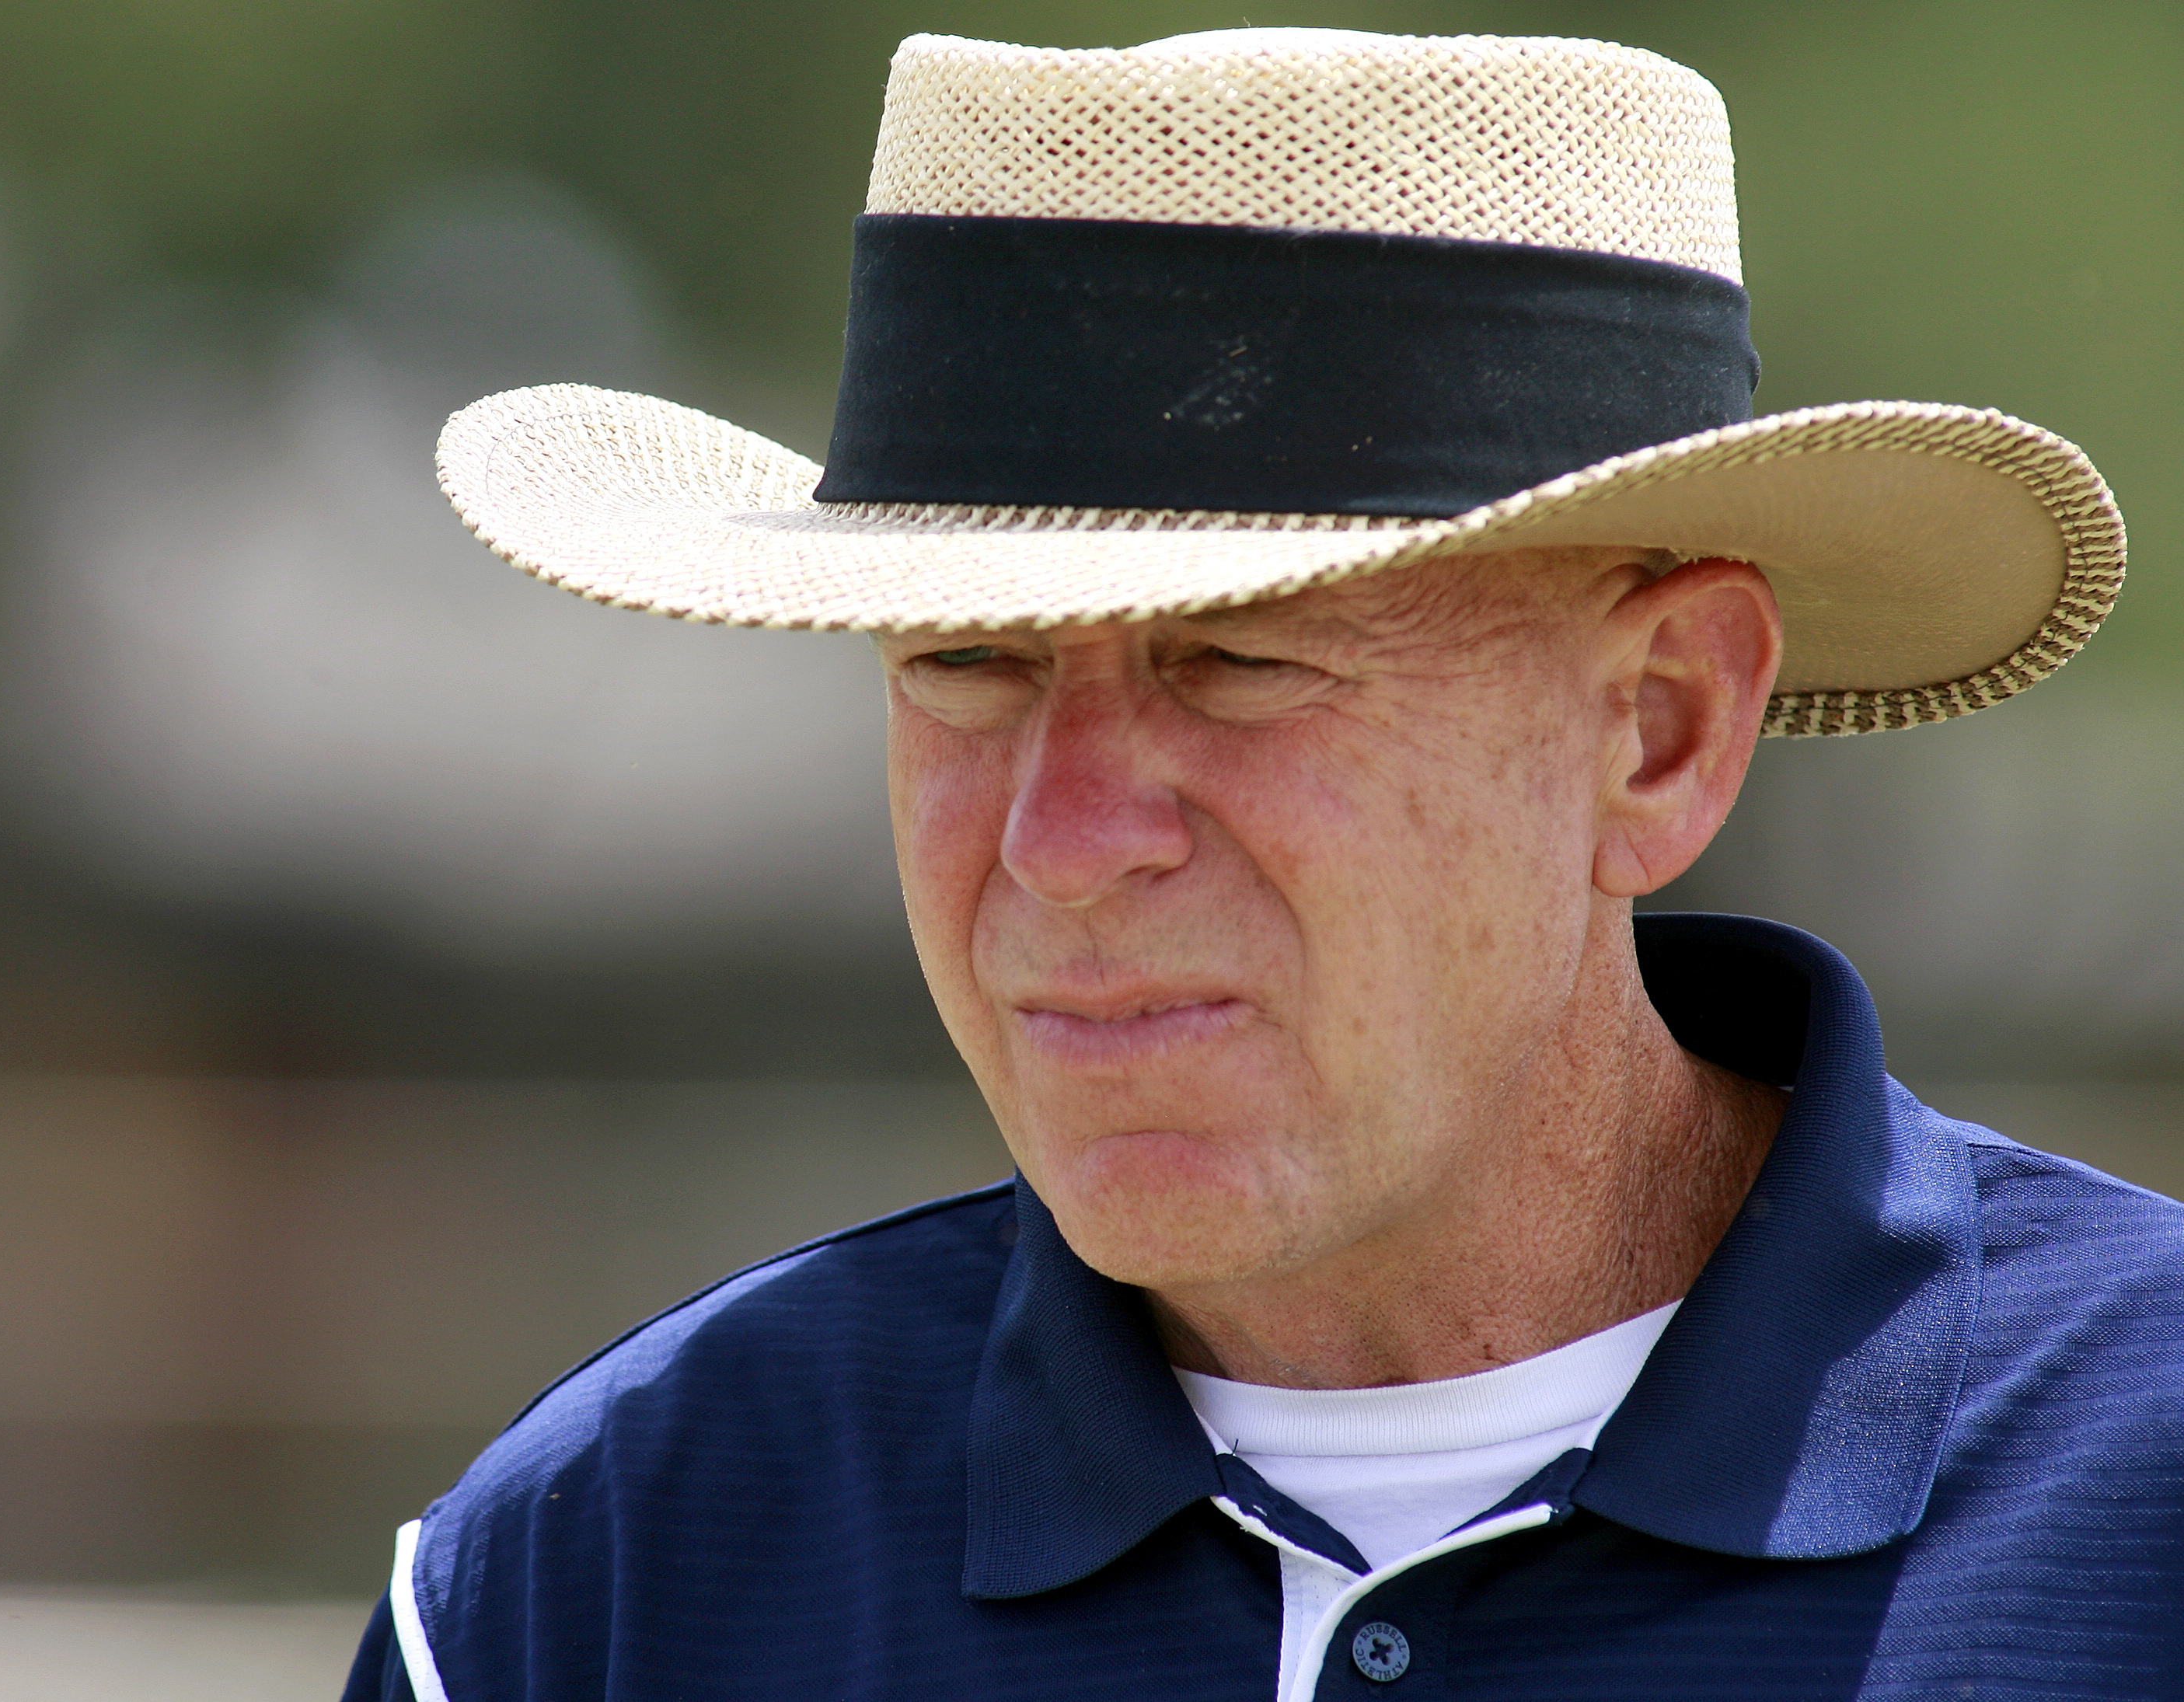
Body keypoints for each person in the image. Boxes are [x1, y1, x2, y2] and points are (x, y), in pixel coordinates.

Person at [345, 30, 2171, 1702]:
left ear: (1663, 731)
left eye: (1242, 660)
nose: (1060, 848)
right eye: (962, 668)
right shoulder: (593, 1578)